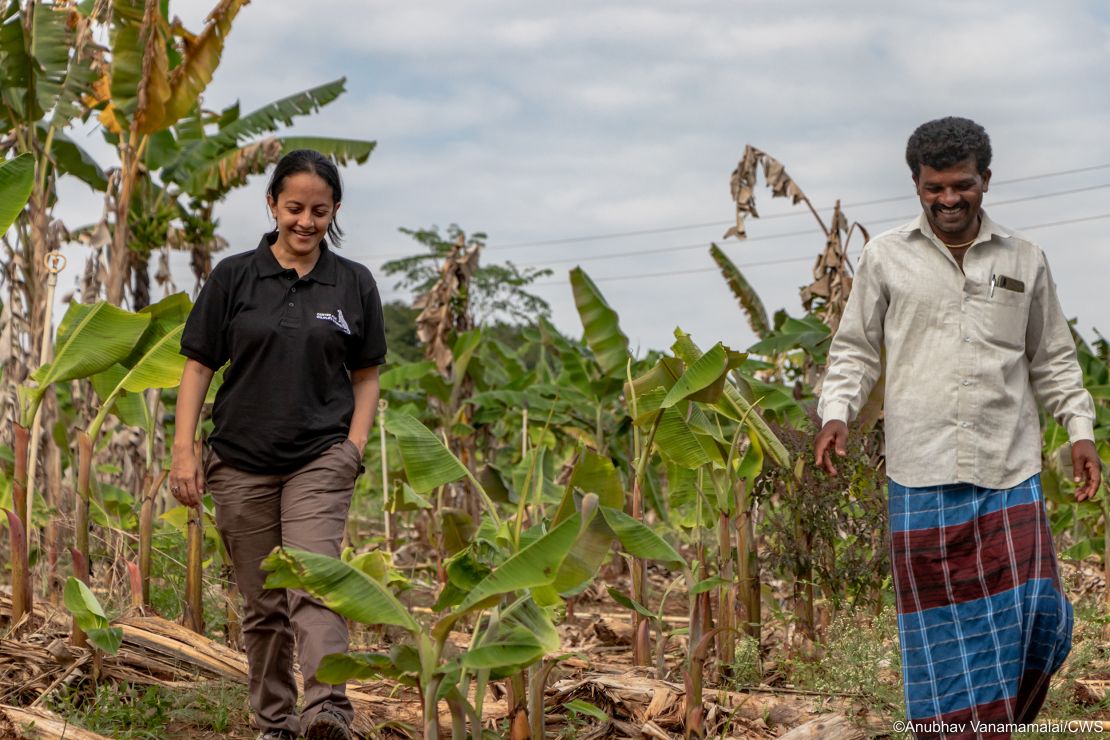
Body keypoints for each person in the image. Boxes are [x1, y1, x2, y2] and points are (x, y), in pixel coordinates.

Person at [814, 117, 1100, 737]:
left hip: (1009, 467)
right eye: (934, 187)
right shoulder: (885, 257)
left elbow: (1051, 359)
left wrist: (1080, 429)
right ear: (917, 185)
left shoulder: (1026, 259)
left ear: (985, 181)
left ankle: (993, 723)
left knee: (1043, 615)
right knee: (939, 635)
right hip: (921, 472)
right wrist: (835, 414)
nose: (949, 199)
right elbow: (856, 350)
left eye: (962, 185)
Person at [170, 149, 386, 740]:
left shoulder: (353, 283)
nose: (306, 221)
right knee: (264, 604)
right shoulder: (234, 276)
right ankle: (275, 723)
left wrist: (353, 448)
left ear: (334, 211)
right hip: (239, 461)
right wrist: (184, 450)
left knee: (316, 582)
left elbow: (366, 377)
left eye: (320, 210)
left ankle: (327, 715)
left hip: (320, 457)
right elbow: (197, 367)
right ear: (272, 204)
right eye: (294, 207)